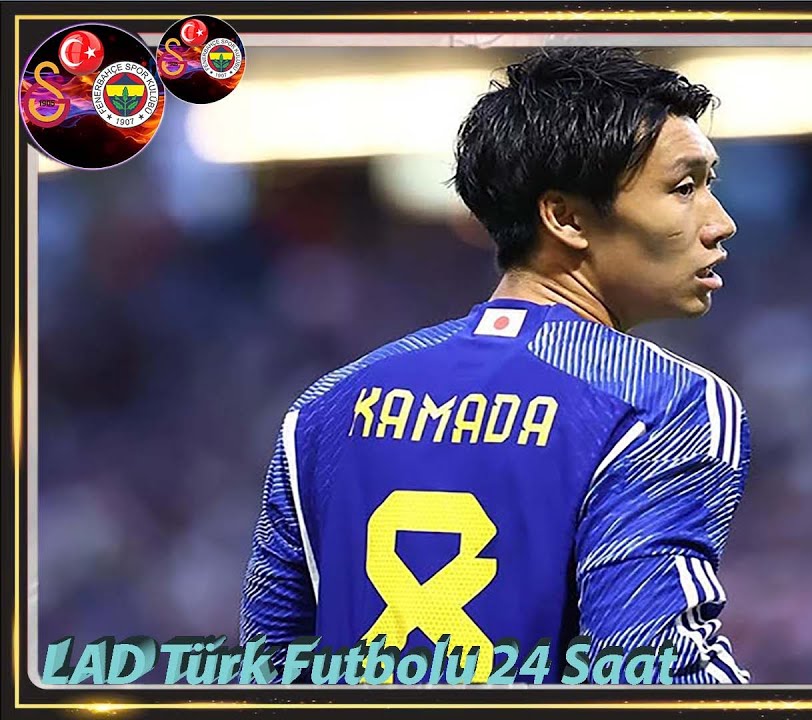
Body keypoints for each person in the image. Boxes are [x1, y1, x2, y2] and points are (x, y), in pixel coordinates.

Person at [239, 46, 749, 684]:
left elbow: (266, 671)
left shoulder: (326, 406)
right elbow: (650, 676)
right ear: (566, 217)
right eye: (684, 188)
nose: (721, 223)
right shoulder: (661, 401)